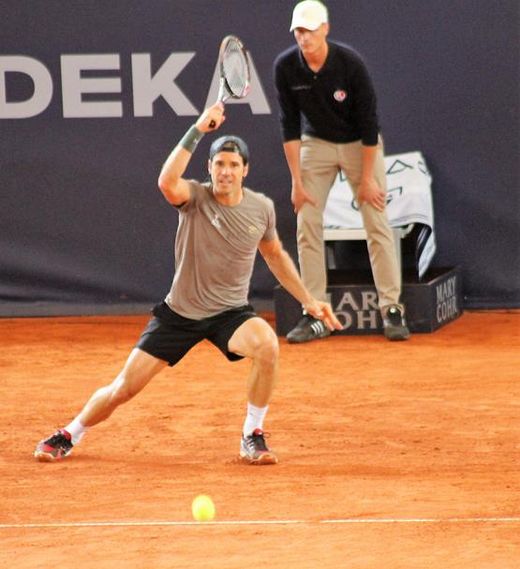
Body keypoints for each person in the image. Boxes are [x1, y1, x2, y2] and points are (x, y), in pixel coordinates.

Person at [34, 102, 342, 465]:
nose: (226, 171)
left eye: (233, 164)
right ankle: (70, 432)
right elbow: (166, 181)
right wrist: (198, 129)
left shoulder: (261, 209)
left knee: (267, 346)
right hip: (179, 314)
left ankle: (251, 434)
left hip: (230, 314)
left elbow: (274, 255)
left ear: (245, 170)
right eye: (219, 164)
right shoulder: (195, 197)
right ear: (209, 168)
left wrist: (307, 299)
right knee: (123, 389)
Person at [273, 0, 410, 343]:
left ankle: (392, 309)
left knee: (376, 220)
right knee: (306, 221)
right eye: (298, 31)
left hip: (358, 143)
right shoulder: (286, 67)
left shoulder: (351, 64)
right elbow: (289, 126)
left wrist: (366, 180)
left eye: (310, 30)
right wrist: (297, 183)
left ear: (325, 29)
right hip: (315, 144)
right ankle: (315, 313)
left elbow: (369, 124)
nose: (304, 38)